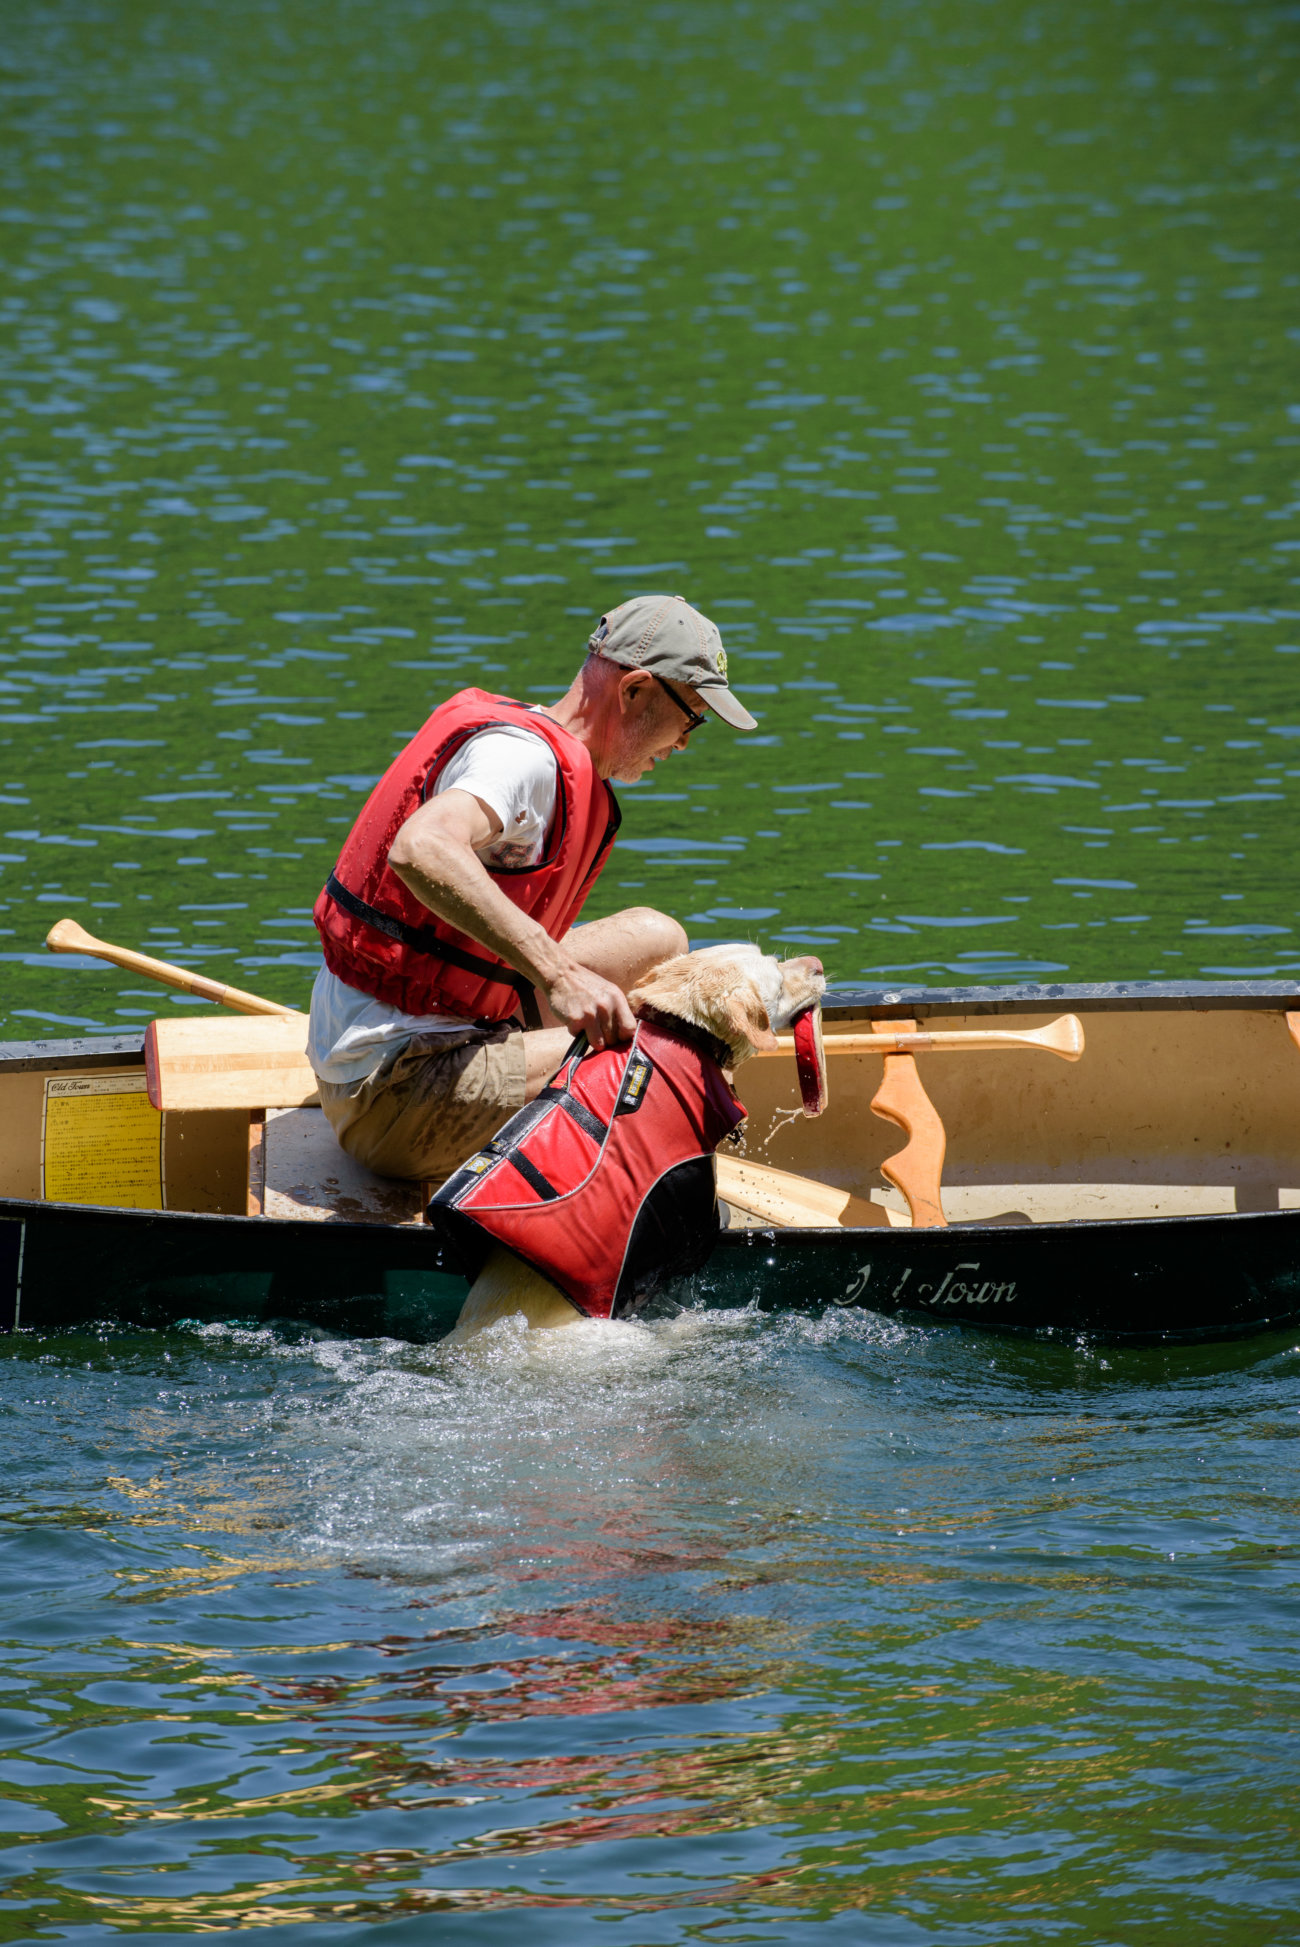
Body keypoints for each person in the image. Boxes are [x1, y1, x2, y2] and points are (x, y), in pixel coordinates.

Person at [308, 593, 757, 1183]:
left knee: (658, 938)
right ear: (635, 690)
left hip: (429, 1032)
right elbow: (422, 847)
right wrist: (561, 977)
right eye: (692, 715)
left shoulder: (542, 749)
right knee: (664, 1062)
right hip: (396, 1089)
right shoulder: (524, 763)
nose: (685, 742)